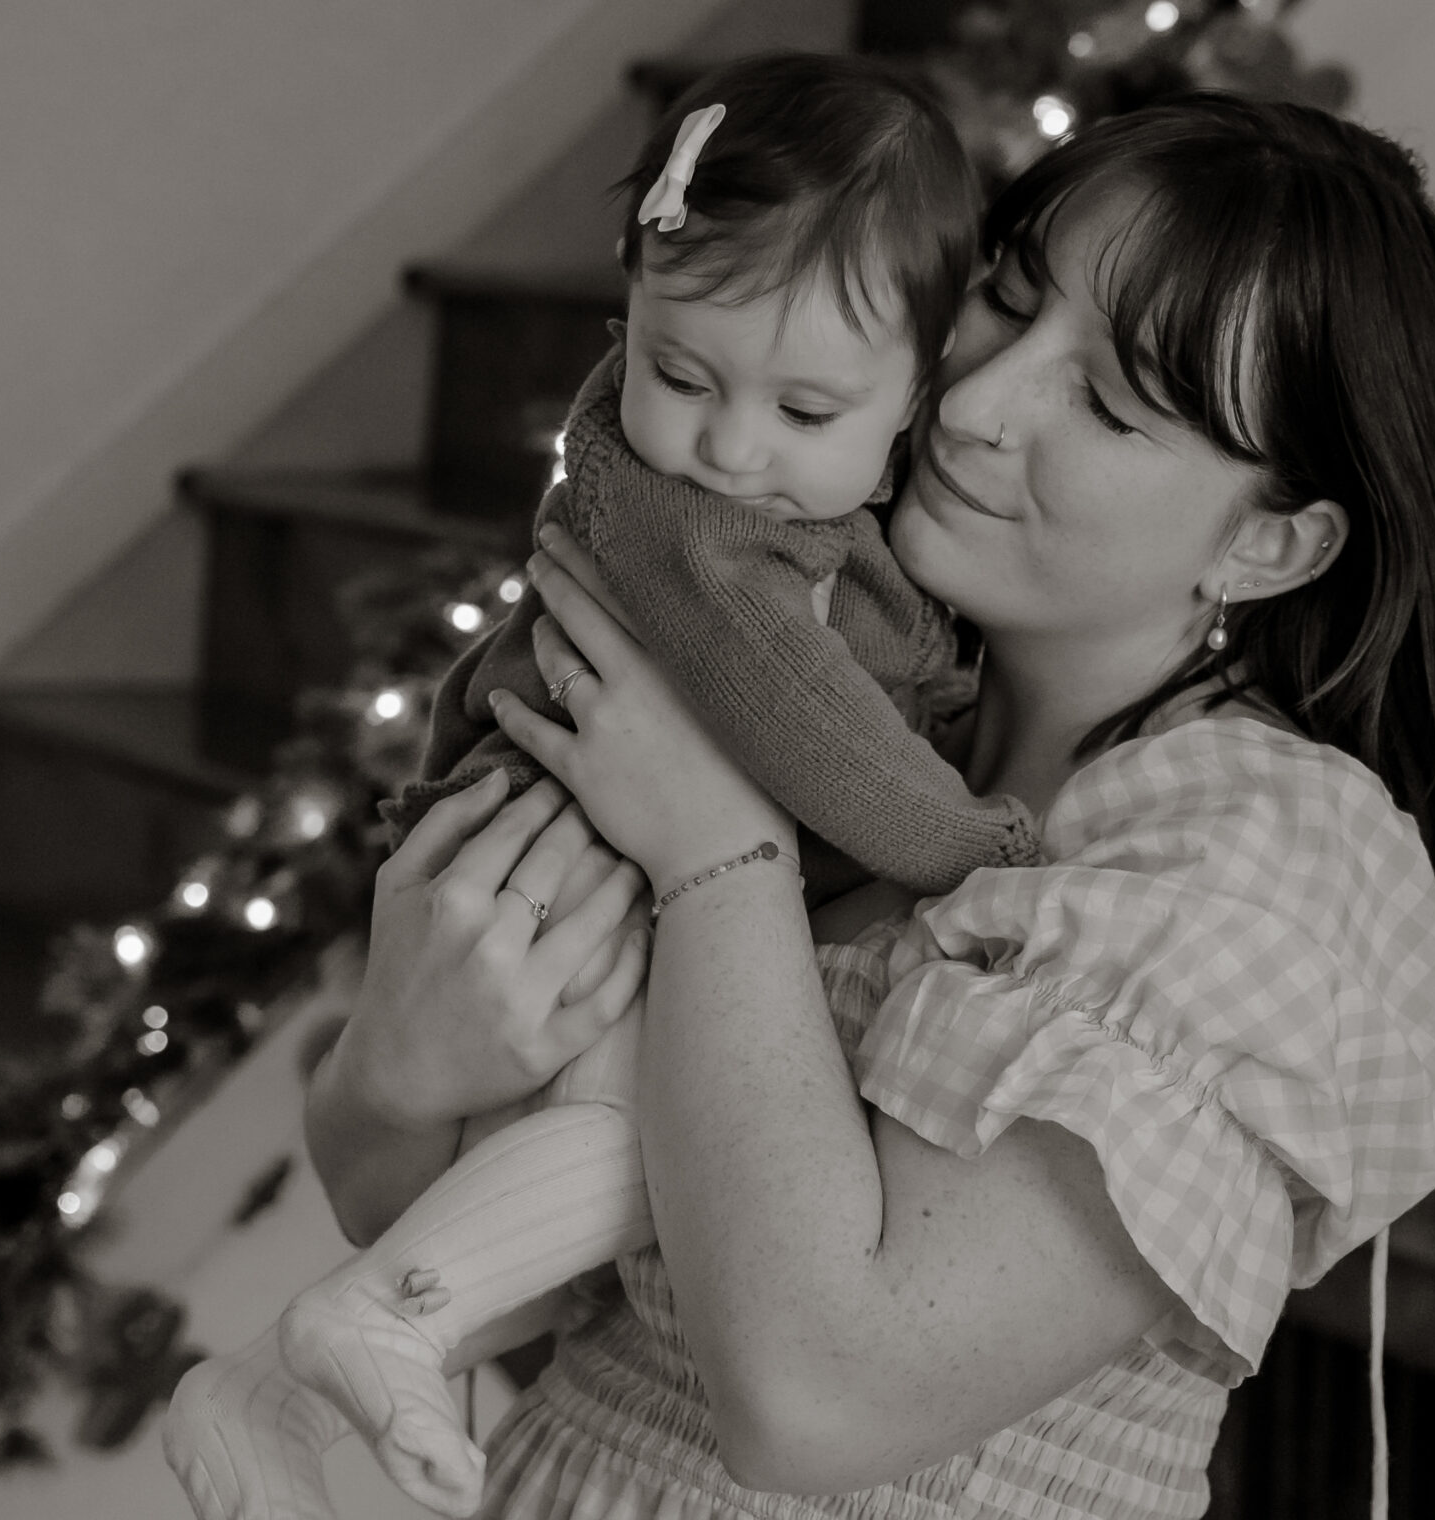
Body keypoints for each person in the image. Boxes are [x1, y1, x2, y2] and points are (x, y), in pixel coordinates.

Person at [187, 90, 1435, 1520]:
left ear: (1272, 540)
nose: (973, 402)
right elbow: (498, 1282)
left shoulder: (1257, 857)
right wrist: (393, 1071)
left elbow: (817, 1404)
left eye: (1107, 401)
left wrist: (717, 850)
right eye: (1004, 306)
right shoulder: (860, 725)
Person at [167, 53, 1044, 1520]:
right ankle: (372, 1325)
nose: (729, 443)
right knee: (662, 1151)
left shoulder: (780, 505)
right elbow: (820, 743)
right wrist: (981, 846)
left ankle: (285, 1371)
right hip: (567, 865)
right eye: (677, 372)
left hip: (577, 867)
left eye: (808, 410)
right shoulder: (713, 547)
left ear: (922, 396)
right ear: (629, 316)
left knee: (624, 1217)